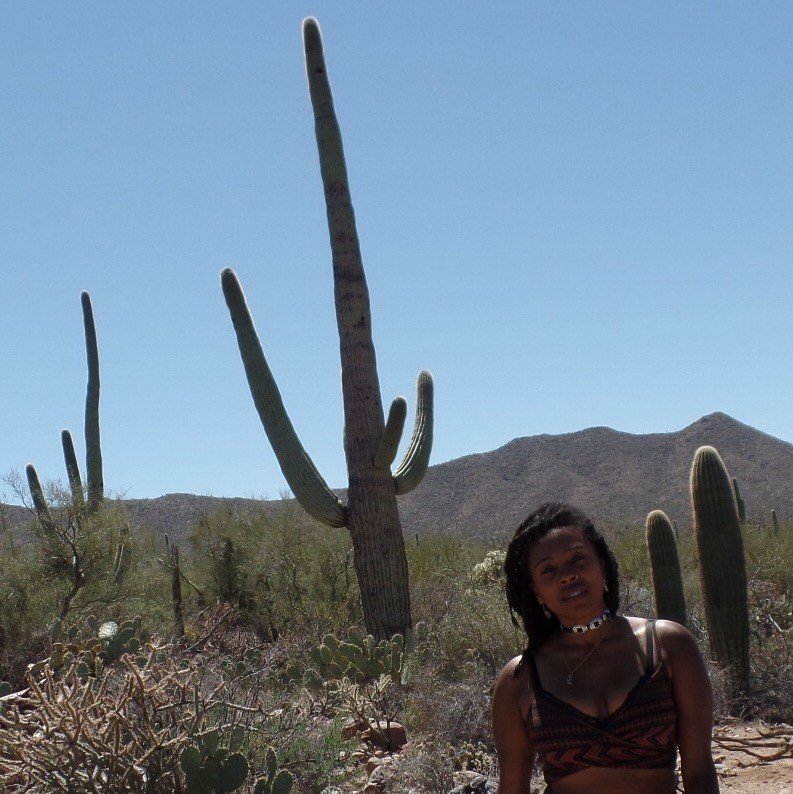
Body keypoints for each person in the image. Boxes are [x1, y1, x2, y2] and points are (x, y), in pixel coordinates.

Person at [492, 503, 719, 793]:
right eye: (548, 569)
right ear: (535, 590)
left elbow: (699, 771)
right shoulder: (520, 680)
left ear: (602, 563)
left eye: (577, 558)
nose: (567, 575)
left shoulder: (667, 646)